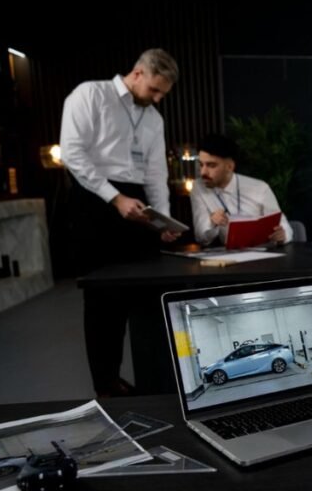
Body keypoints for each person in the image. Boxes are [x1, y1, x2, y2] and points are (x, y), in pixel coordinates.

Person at [60, 48, 181, 397]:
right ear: (138, 73)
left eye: (163, 94)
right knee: (103, 304)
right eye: (154, 90)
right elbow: (72, 153)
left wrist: (163, 219)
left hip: (138, 201)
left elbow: (157, 173)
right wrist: (114, 197)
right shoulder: (90, 94)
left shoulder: (154, 118)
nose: (157, 99)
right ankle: (107, 385)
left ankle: (153, 385)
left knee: (148, 297)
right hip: (94, 199)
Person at [189, 133, 293, 246]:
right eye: (201, 165)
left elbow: (284, 226)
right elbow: (200, 238)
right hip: (229, 256)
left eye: (211, 165)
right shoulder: (199, 188)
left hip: (263, 253)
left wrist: (282, 235)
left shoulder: (259, 188)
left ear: (229, 167)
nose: (203, 172)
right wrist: (212, 222)